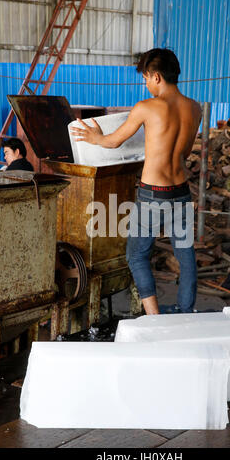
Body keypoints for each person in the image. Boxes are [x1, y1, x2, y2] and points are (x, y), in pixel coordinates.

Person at [71, 48, 202, 315]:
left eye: (145, 78)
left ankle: (154, 318)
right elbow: (186, 153)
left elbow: (114, 141)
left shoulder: (147, 107)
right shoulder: (194, 108)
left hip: (153, 193)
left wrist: (94, 137)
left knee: (137, 255)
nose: (145, 84)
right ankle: (187, 313)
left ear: (156, 77)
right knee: (186, 257)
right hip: (181, 191)